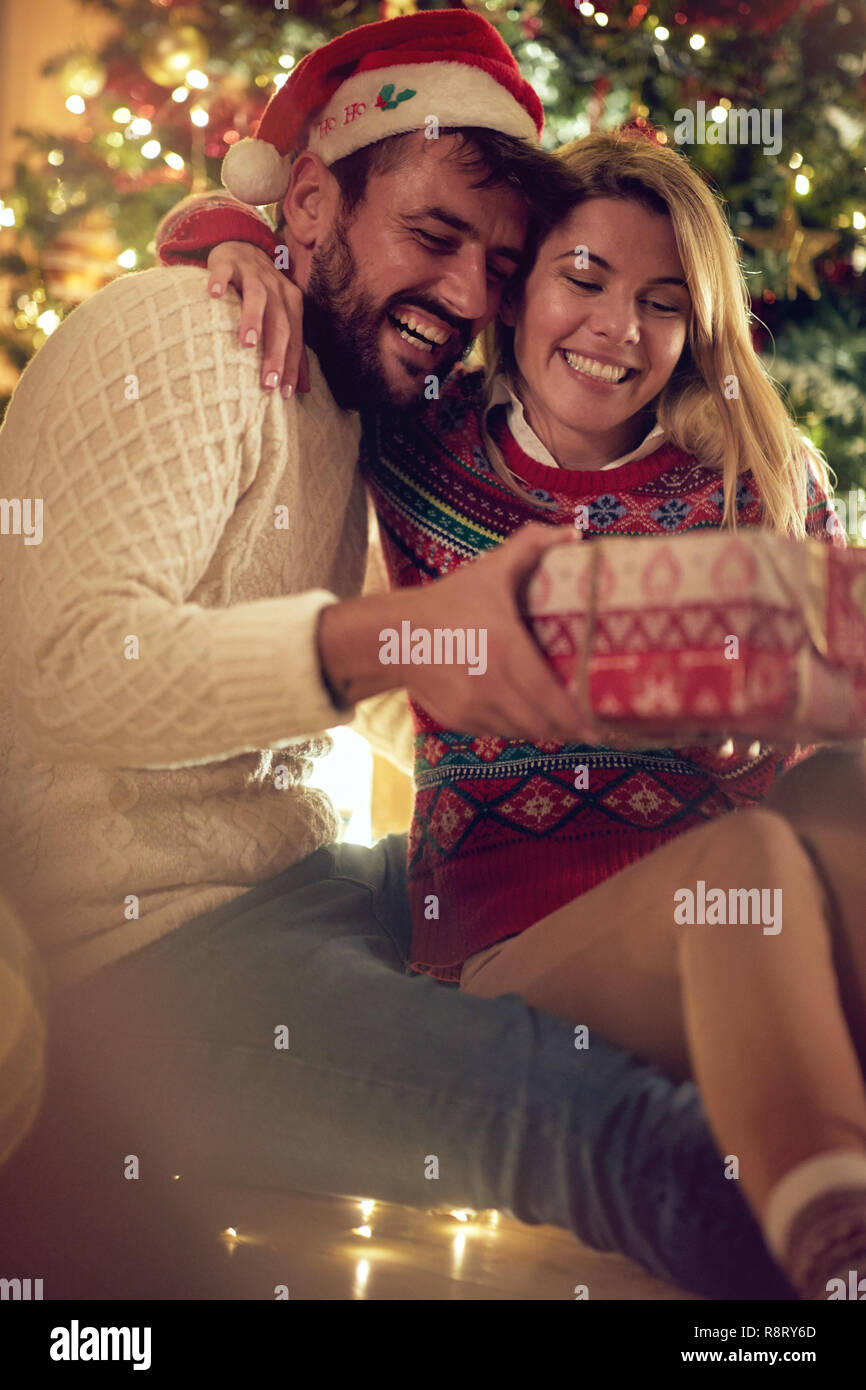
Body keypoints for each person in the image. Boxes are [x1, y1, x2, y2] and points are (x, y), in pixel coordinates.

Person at [0, 12, 800, 1300]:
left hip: (329, 886)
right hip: (140, 976)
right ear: (306, 203)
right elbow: (73, 667)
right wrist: (389, 639)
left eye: (498, 261)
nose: (472, 296)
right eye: (433, 237)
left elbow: (359, 674)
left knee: (750, 914)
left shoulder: (337, 390)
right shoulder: (184, 338)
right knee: (606, 1126)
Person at [158, 116, 866, 1300]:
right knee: (733, 865)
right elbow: (287, 254)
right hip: (511, 943)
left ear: (695, 330)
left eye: (659, 301)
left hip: (750, 914)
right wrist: (230, 233)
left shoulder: (750, 475)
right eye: (580, 279)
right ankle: (829, 1236)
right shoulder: (423, 434)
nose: (614, 329)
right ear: (516, 285)